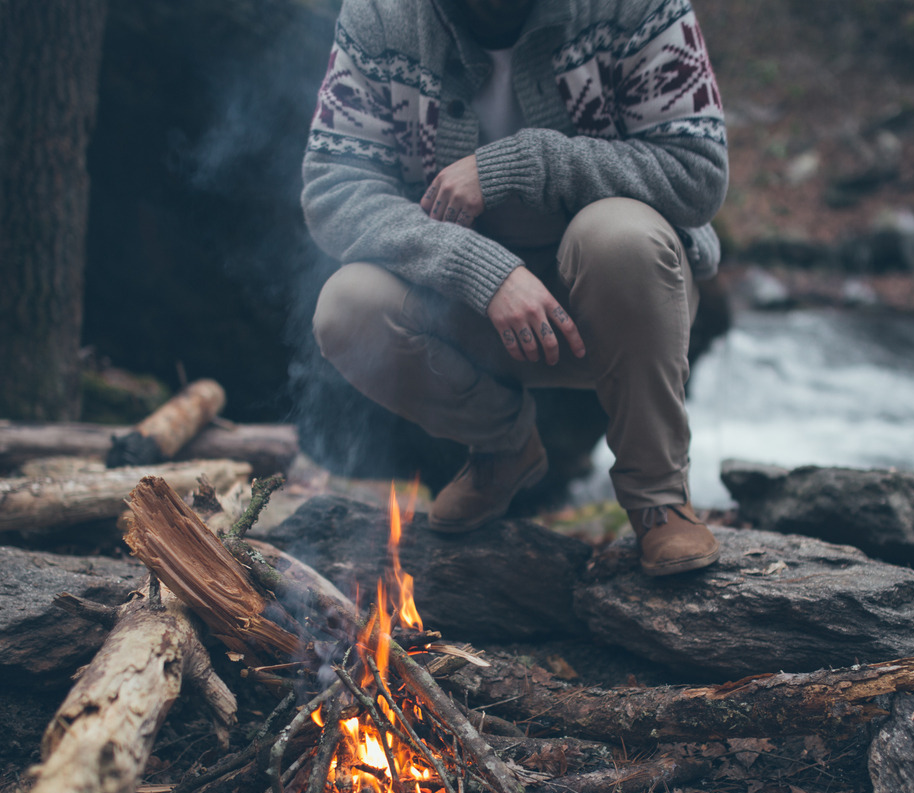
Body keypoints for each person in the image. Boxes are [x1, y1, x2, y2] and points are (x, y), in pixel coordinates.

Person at [304, 0, 727, 575]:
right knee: (346, 308)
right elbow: (334, 188)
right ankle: (503, 450)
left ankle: (659, 499)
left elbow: (696, 171)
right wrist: (481, 269)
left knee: (617, 237)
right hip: (466, 312)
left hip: (625, 301)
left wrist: (524, 163)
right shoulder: (382, 16)